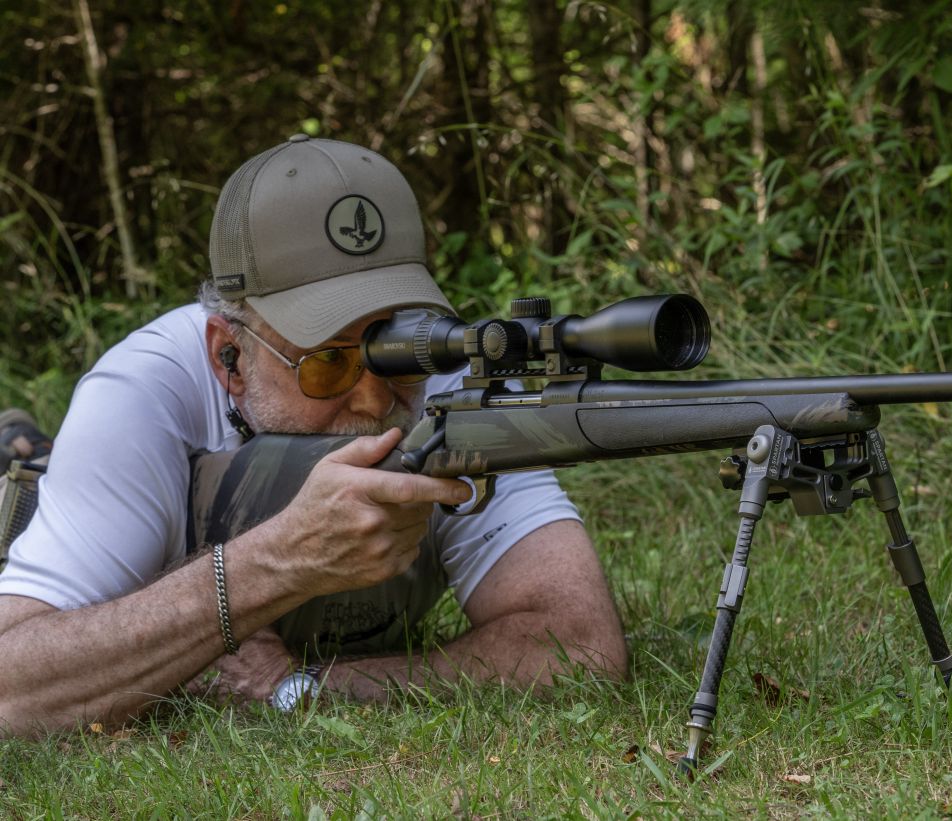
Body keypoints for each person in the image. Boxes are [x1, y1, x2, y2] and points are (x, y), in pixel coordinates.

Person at [0, 135, 628, 736]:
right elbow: (12, 690)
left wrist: (303, 687)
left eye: (392, 353)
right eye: (327, 362)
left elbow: (579, 647)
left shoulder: (453, 380)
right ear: (230, 357)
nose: (376, 399)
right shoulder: (136, 396)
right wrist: (277, 562)